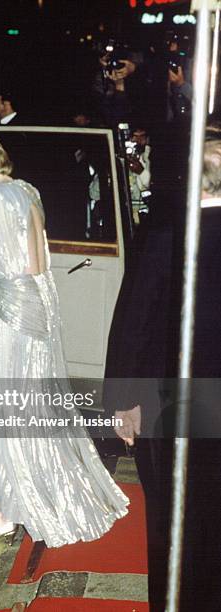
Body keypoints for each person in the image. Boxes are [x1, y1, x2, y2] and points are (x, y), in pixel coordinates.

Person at [0, 127, 129, 547]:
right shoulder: (25, 189)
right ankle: (3, 510)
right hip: (37, 301)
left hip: (13, 309)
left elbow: (6, 267)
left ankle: (4, 512)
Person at [103, 137, 221, 611]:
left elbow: (134, 320)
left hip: (169, 402)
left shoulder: (168, 232)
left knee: (173, 519)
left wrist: (122, 404)